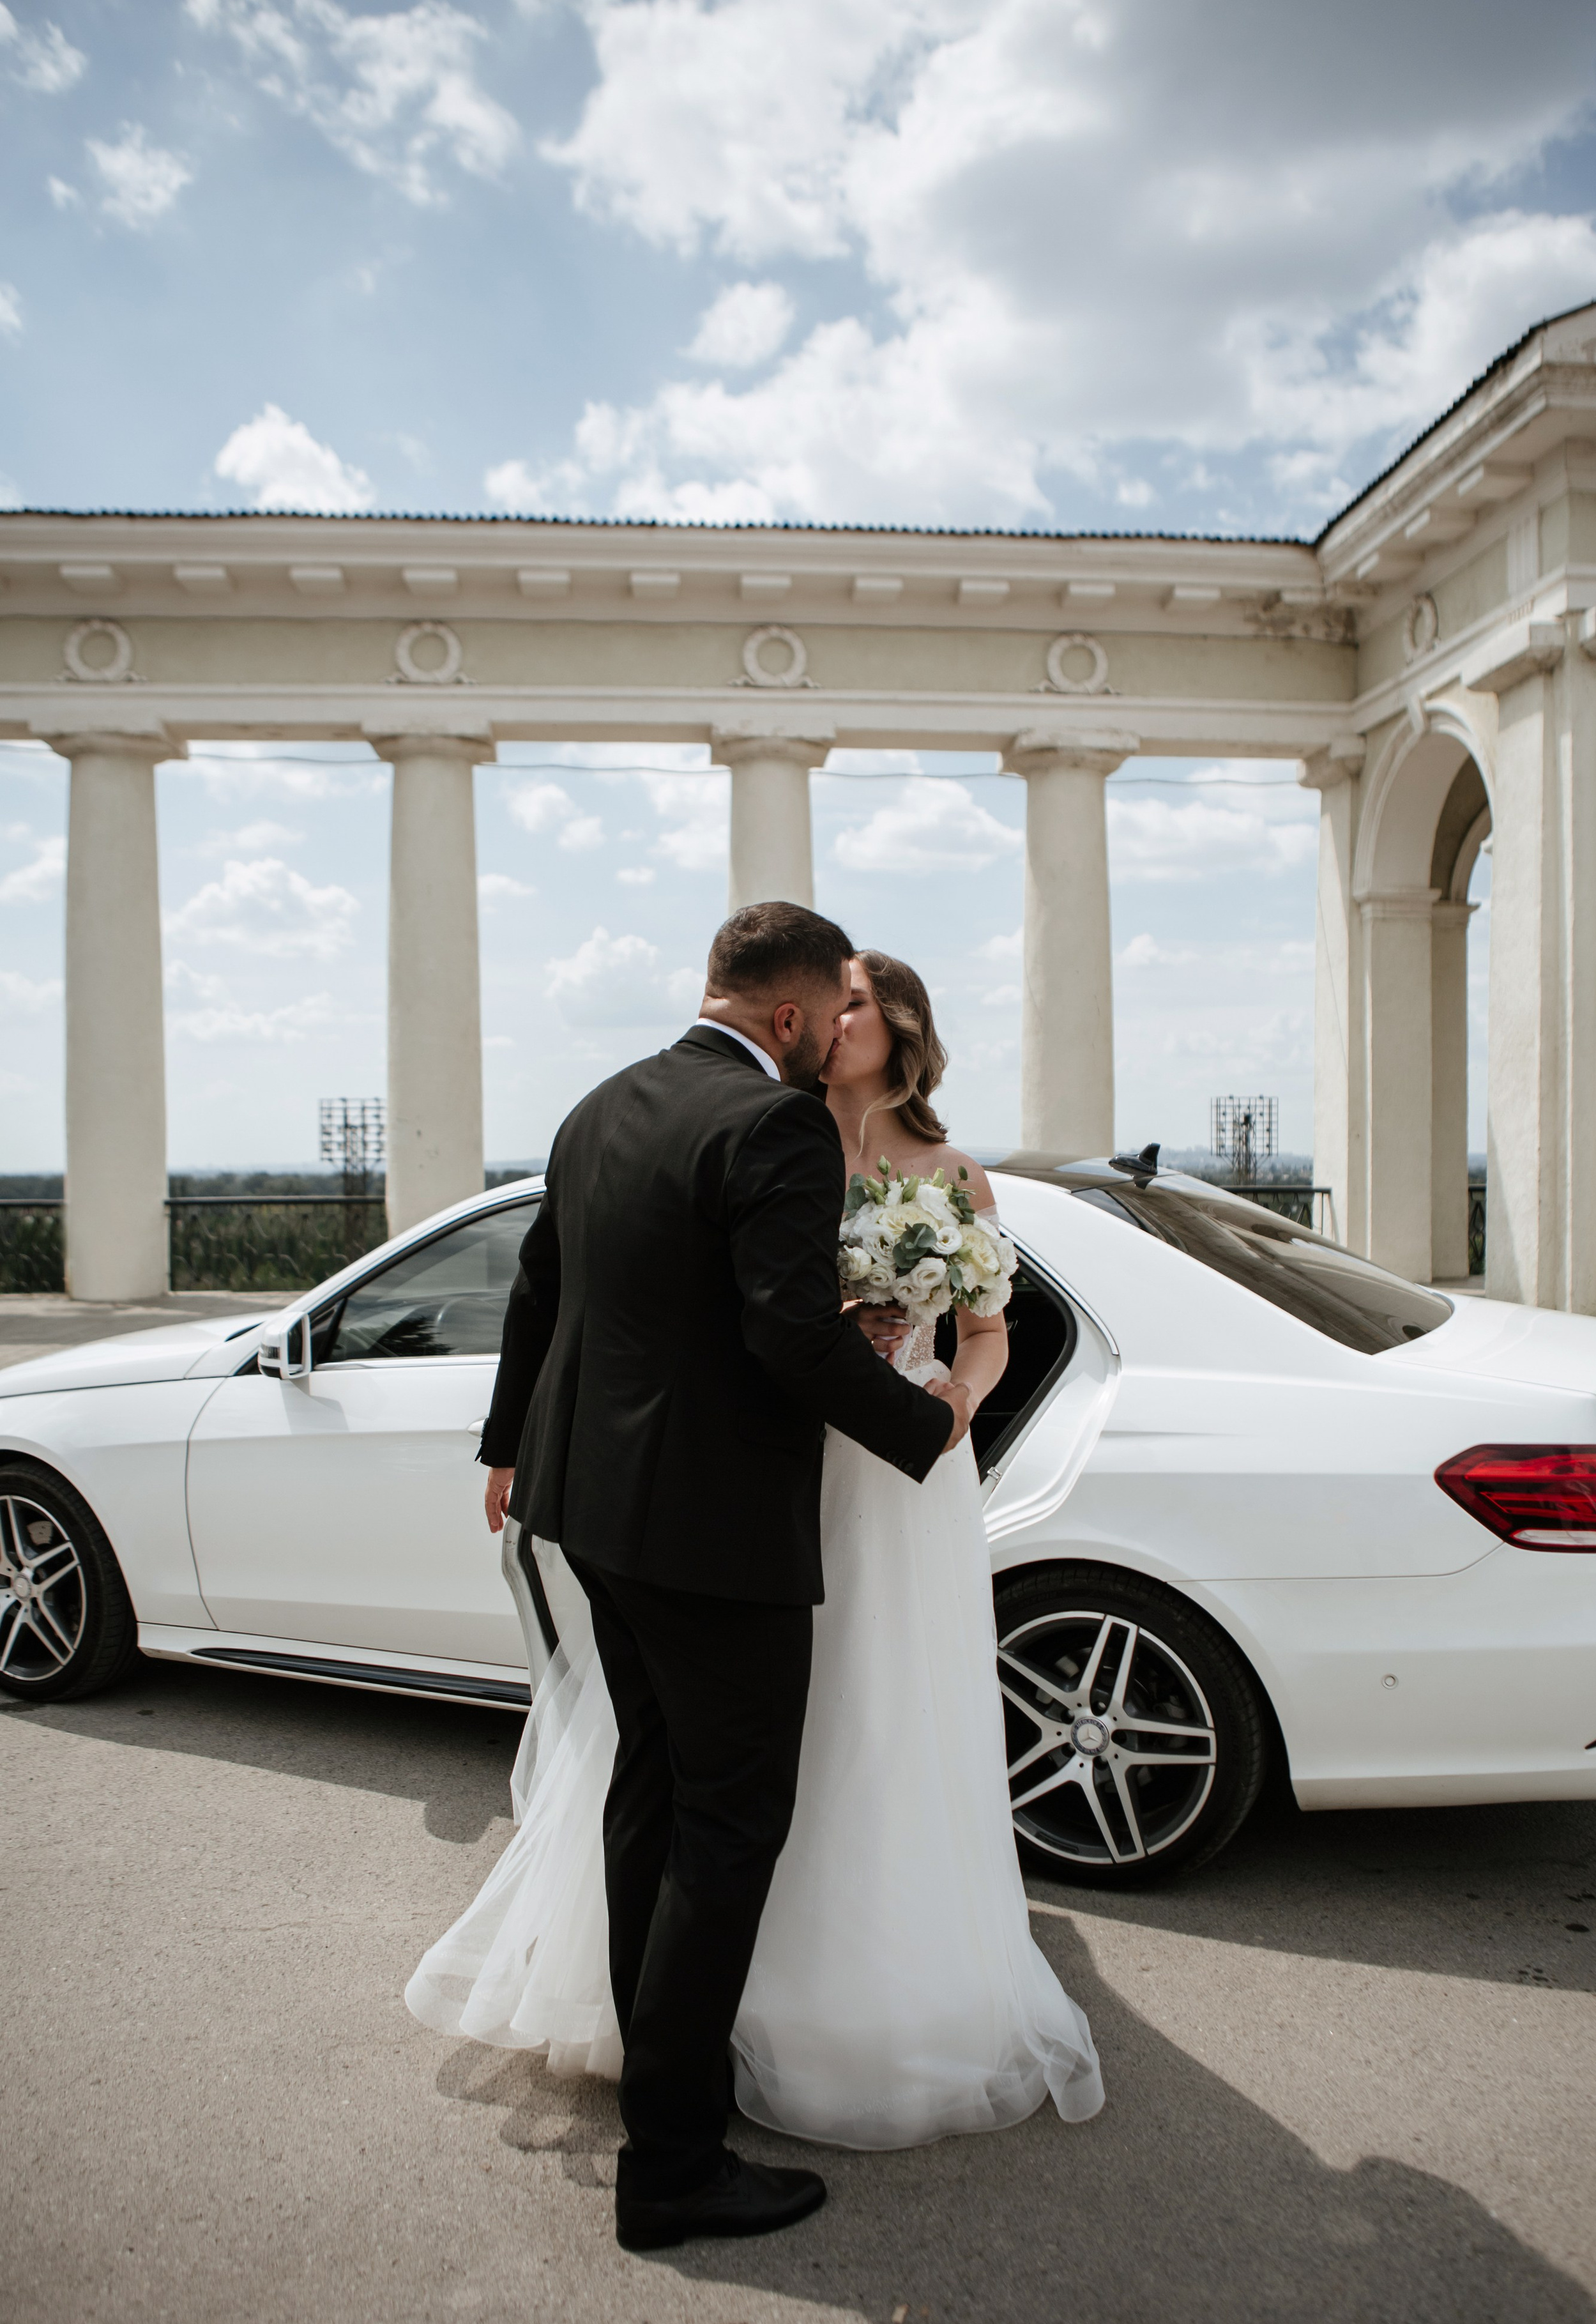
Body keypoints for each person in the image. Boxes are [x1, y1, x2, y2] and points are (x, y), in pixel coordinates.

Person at [406, 928, 1104, 2235]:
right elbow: (780, 1334)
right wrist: (919, 1427)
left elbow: (543, 1291)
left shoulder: (600, 1101)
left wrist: (510, 1443)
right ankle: (673, 2159)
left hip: (606, 1512)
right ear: (791, 1013)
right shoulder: (769, 1130)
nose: (842, 1026)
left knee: (655, 1791)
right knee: (728, 1822)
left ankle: (662, 2071)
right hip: (727, 1519)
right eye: (831, 1004)